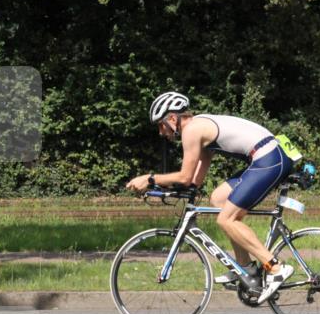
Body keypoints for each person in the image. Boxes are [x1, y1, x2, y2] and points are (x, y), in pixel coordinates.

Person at [126, 91, 294, 303]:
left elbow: (185, 176)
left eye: (160, 125)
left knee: (226, 219)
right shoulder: (199, 127)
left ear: (171, 118)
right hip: (267, 156)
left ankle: (275, 267)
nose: (161, 132)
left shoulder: (191, 130)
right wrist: (189, 190)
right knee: (218, 198)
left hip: (269, 159)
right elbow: (196, 175)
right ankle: (246, 268)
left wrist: (149, 179)